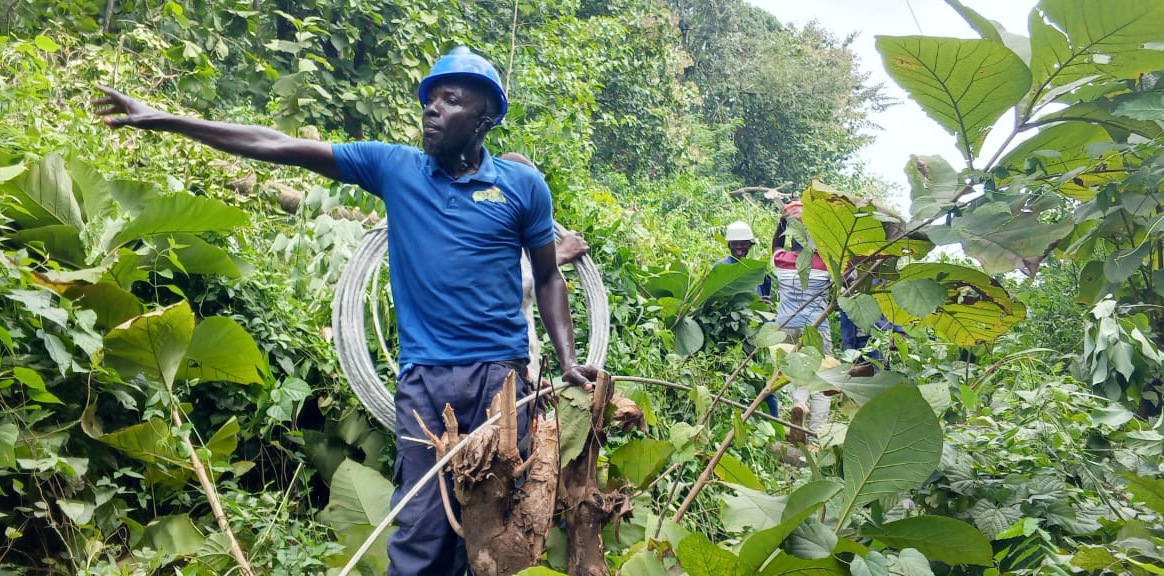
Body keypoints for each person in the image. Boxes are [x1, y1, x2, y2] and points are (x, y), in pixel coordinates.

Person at [93, 46, 598, 575]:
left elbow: (547, 277)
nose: (433, 109)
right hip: (424, 381)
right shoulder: (394, 168)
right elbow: (277, 144)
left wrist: (567, 360)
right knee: (423, 530)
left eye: (451, 100)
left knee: (501, 529)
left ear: (484, 118)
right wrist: (165, 119)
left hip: (501, 379)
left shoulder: (521, 186)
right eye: (429, 100)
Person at [499, 151, 588, 386]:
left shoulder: (522, 243)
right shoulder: (490, 236)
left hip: (519, 369)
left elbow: (538, 279)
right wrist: (558, 255)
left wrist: (531, 376)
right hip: (496, 372)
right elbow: (511, 282)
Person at [771, 201, 833, 448]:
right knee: (823, 379)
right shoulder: (825, 262)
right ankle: (815, 439)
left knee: (794, 373)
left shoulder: (781, 260)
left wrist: (782, 221)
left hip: (786, 325)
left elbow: (776, 245)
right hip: (816, 326)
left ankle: (798, 403)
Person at [713, 220, 777, 416]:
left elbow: (765, 298)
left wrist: (765, 305)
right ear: (729, 244)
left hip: (756, 332)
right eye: (735, 243)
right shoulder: (721, 268)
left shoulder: (758, 270)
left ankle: (774, 420)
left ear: (750, 244)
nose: (739, 247)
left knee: (764, 379)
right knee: (733, 378)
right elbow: (713, 297)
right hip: (730, 332)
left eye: (743, 243)